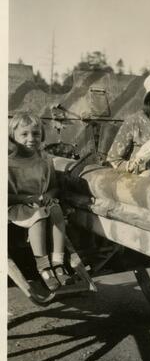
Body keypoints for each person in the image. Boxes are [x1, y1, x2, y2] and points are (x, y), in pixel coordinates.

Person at [8, 113, 72, 291]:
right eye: (24, 134)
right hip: (18, 205)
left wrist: (50, 195)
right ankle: (43, 266)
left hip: (41, 201)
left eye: (36, 134)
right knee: (39, 216)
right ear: (13, 136)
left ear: (42, 136)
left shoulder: (45, 160)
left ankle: (58, 262)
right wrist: (27, 199)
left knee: (56, 210)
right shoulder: (8, 163)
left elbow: (53, 187)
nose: (31, 139)